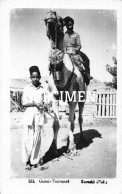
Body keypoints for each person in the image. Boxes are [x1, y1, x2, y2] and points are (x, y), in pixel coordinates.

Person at [22, 66, 46, 170]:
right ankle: (26, 161)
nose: (35, 79)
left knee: (37, 139)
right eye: (33, 77)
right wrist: (34, 104)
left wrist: (45, 105)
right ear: (30, 77)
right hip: (28, 117)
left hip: (39, 117)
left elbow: (46, 101)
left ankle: (34, 161)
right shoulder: (27, 88)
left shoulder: (43, 89)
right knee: (27, 139)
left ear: (40, 77)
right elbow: (23, 103)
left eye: (37, 77)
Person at [63, 16, 91, 85]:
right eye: (69, 24)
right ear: (66, 26)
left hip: (74, 51)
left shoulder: (76, 35)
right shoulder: (63, 35)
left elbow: (79, 45)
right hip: (65, 52)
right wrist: (65, 51)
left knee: (86, 59)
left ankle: (86, 75)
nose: (70, 26)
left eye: (71, 24)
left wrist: (75, 50)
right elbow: (62, 45)